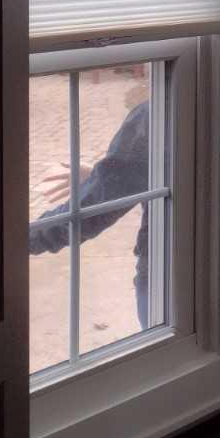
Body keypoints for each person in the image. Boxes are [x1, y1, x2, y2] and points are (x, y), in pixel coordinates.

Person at [30, 102, 152, 328]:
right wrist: (100, 176)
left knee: (163, 354)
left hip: (166, 272)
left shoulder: (155, 113)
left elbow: (95, 209)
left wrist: (20, 239)